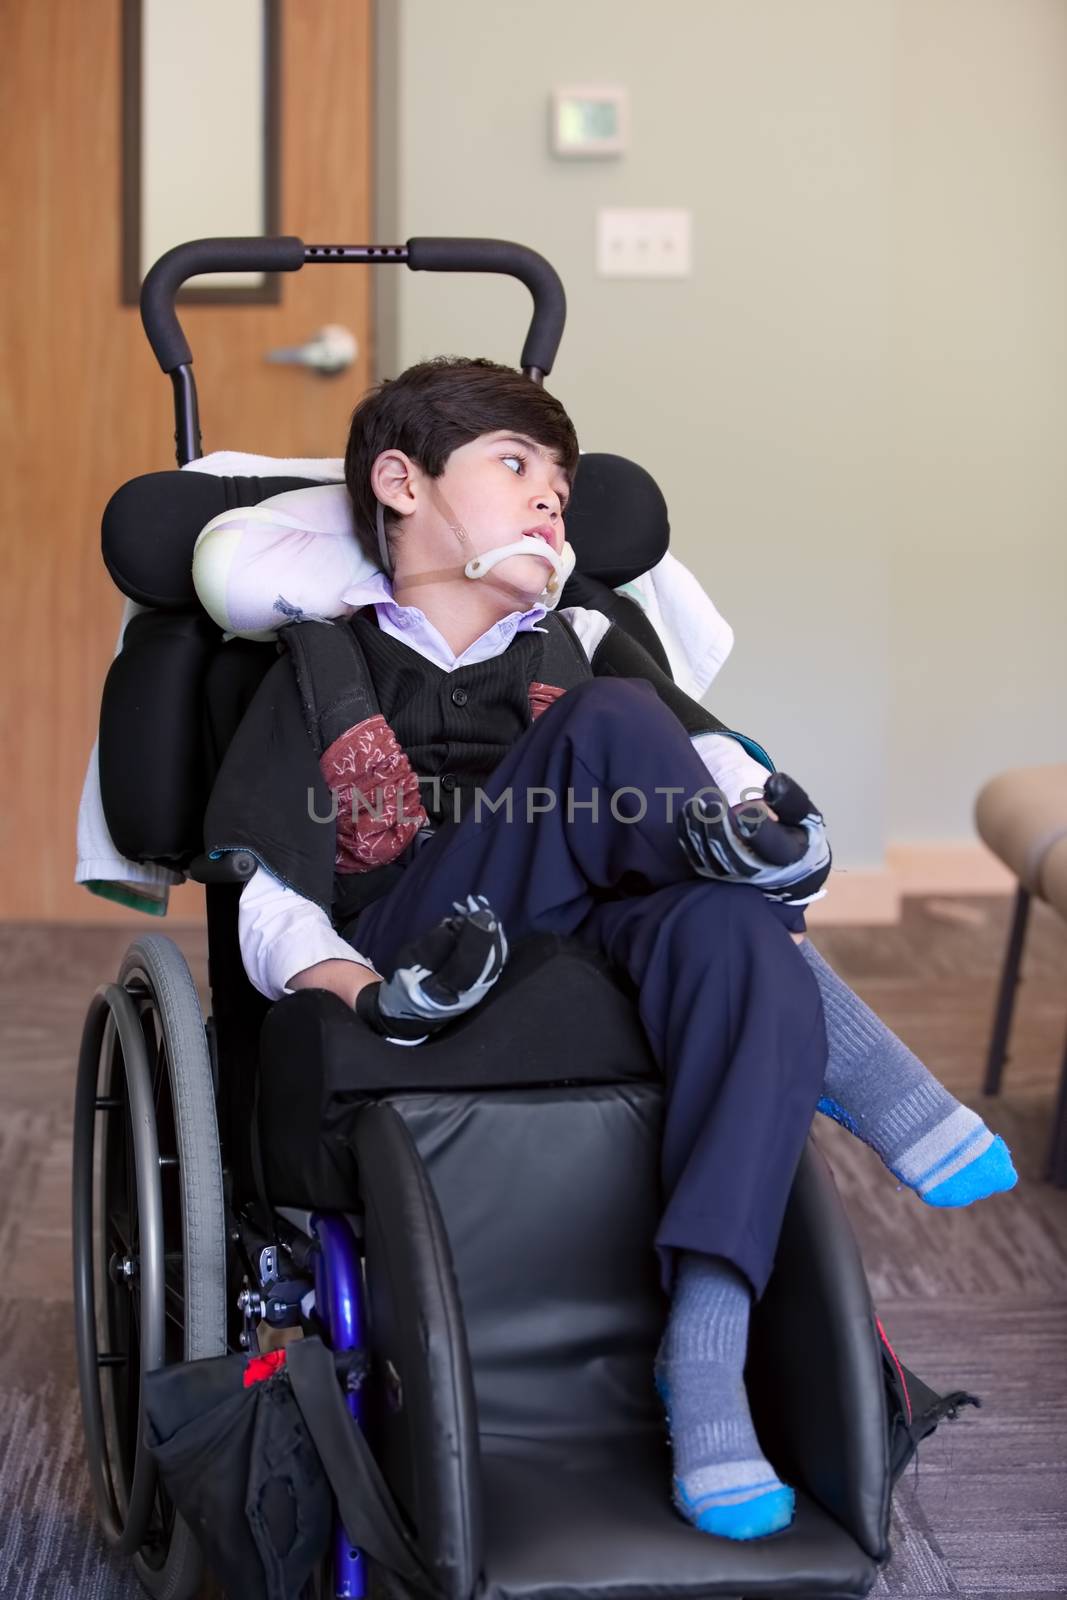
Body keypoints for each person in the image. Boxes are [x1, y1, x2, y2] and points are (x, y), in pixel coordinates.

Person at [207, 357, 1014, 1542]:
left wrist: (782, 845)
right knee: (616, 726)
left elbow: (733, 782)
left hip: (589, 928)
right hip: (424, 944)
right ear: (399, 480)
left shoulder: (582, 636)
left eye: (564, 485)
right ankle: (870, 1069)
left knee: (723, 914)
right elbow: (269, 900)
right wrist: (368, 989)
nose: (550, 501)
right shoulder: (320, 662)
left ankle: (702, 1356)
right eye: (516, 465)